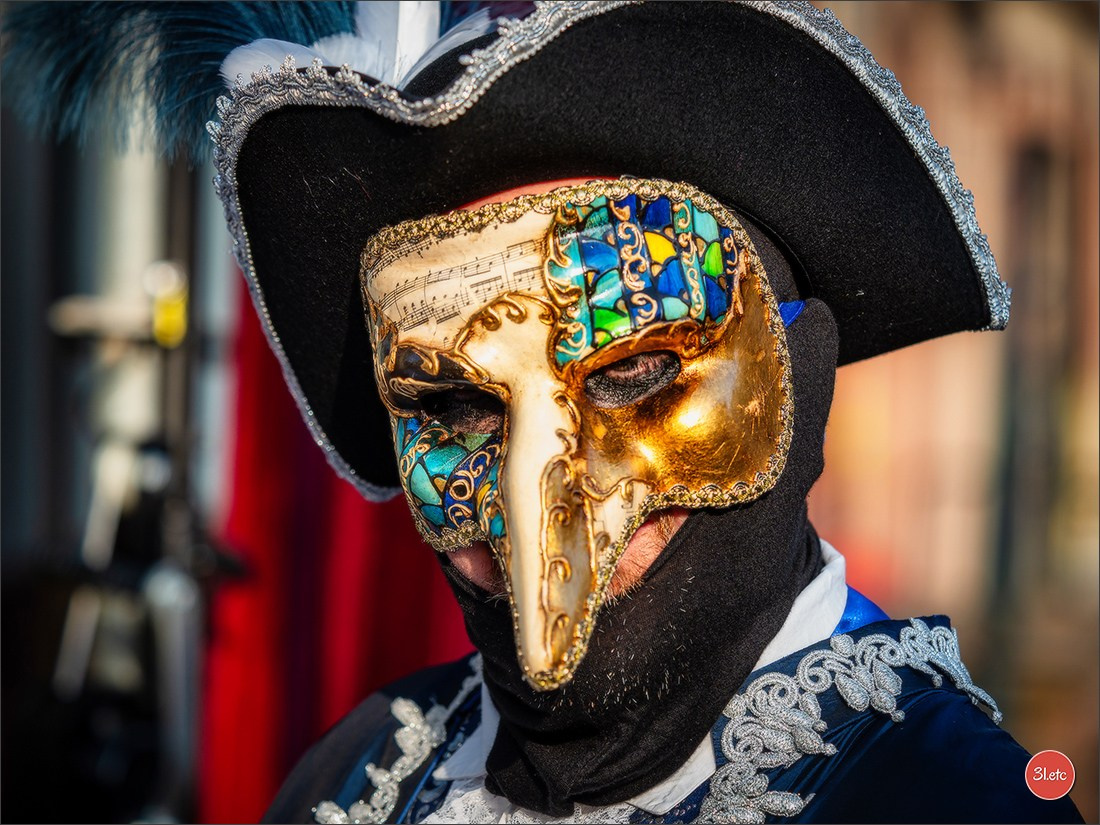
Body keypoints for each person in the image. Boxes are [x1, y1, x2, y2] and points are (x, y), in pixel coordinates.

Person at [3, 2, 1084, 822]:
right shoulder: (365, 776)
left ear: (792, 378)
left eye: (627, 375)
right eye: (457, 408)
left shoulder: (947, 800)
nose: (532, 518)